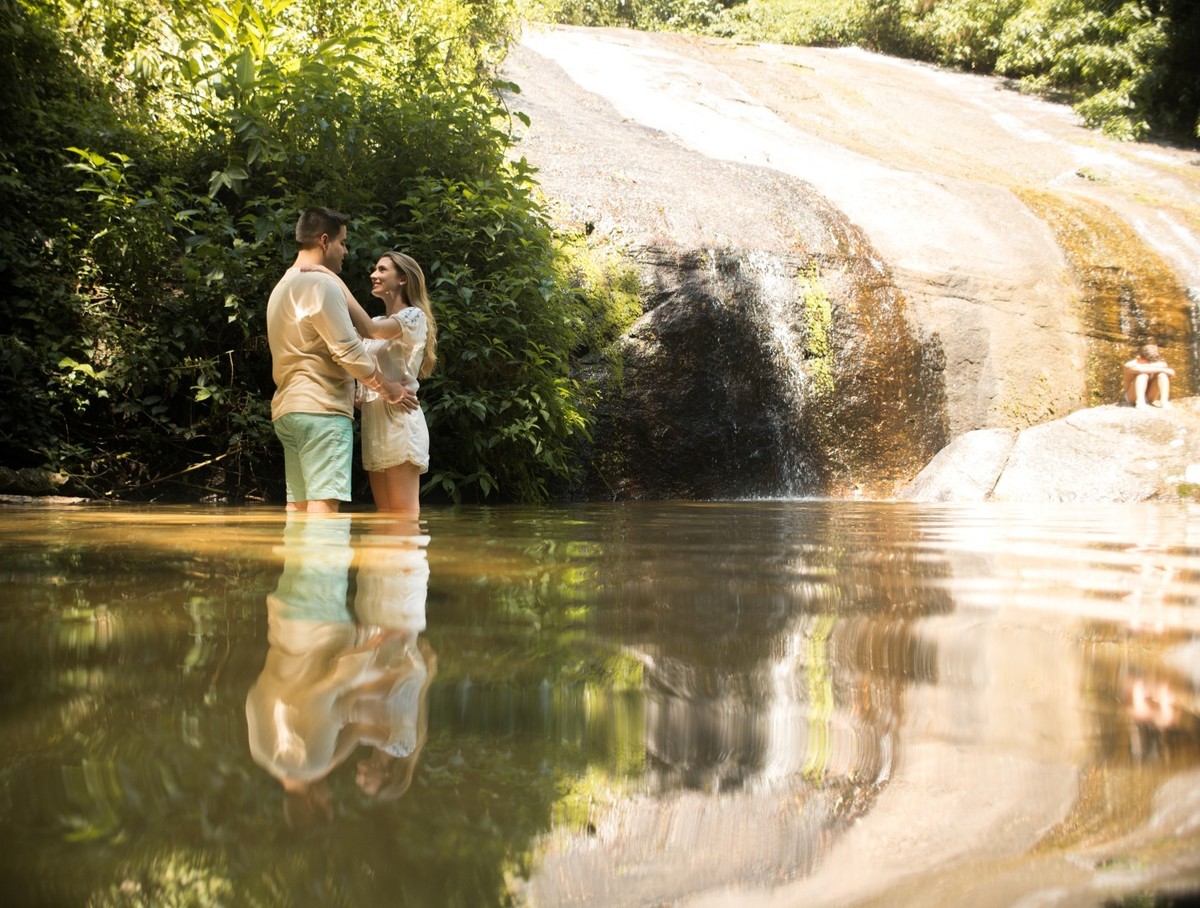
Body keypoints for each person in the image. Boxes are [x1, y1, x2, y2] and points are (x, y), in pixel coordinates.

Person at [266, 208, 417, 513]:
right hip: (322, 410)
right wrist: (387, 388)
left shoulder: (281, 287)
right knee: (324, 512)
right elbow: (348, 351)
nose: (346, 251)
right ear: (325, 241)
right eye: (342, 243)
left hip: (288, 410)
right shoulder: (323, 285)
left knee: (298, 509)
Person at [302, 251, 438, 514]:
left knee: (404, 519)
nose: (373, 275)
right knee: (384, 518)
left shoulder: (414, 316)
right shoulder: (377, 321)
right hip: (374, 427)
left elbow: (370, 331)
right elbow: (346, 350)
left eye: (382, 269)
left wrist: (334, 279)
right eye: (375, 269)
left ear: (403, 279)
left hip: (400, 423)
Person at [1122, 343, 1175, 409]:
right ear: (1140, 357)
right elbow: (1140, 369)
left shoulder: (1159, 364)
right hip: (1132, 397)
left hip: (1149, 396)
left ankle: (1164, 401)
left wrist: (1163, 370)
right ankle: (1140, 402)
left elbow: (1163, 365)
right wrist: (1164, 370)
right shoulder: (1130, 365)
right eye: (1148, 361)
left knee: (1162, 375)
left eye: (1151, 361)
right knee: (1143, 375)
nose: (1150, 362)